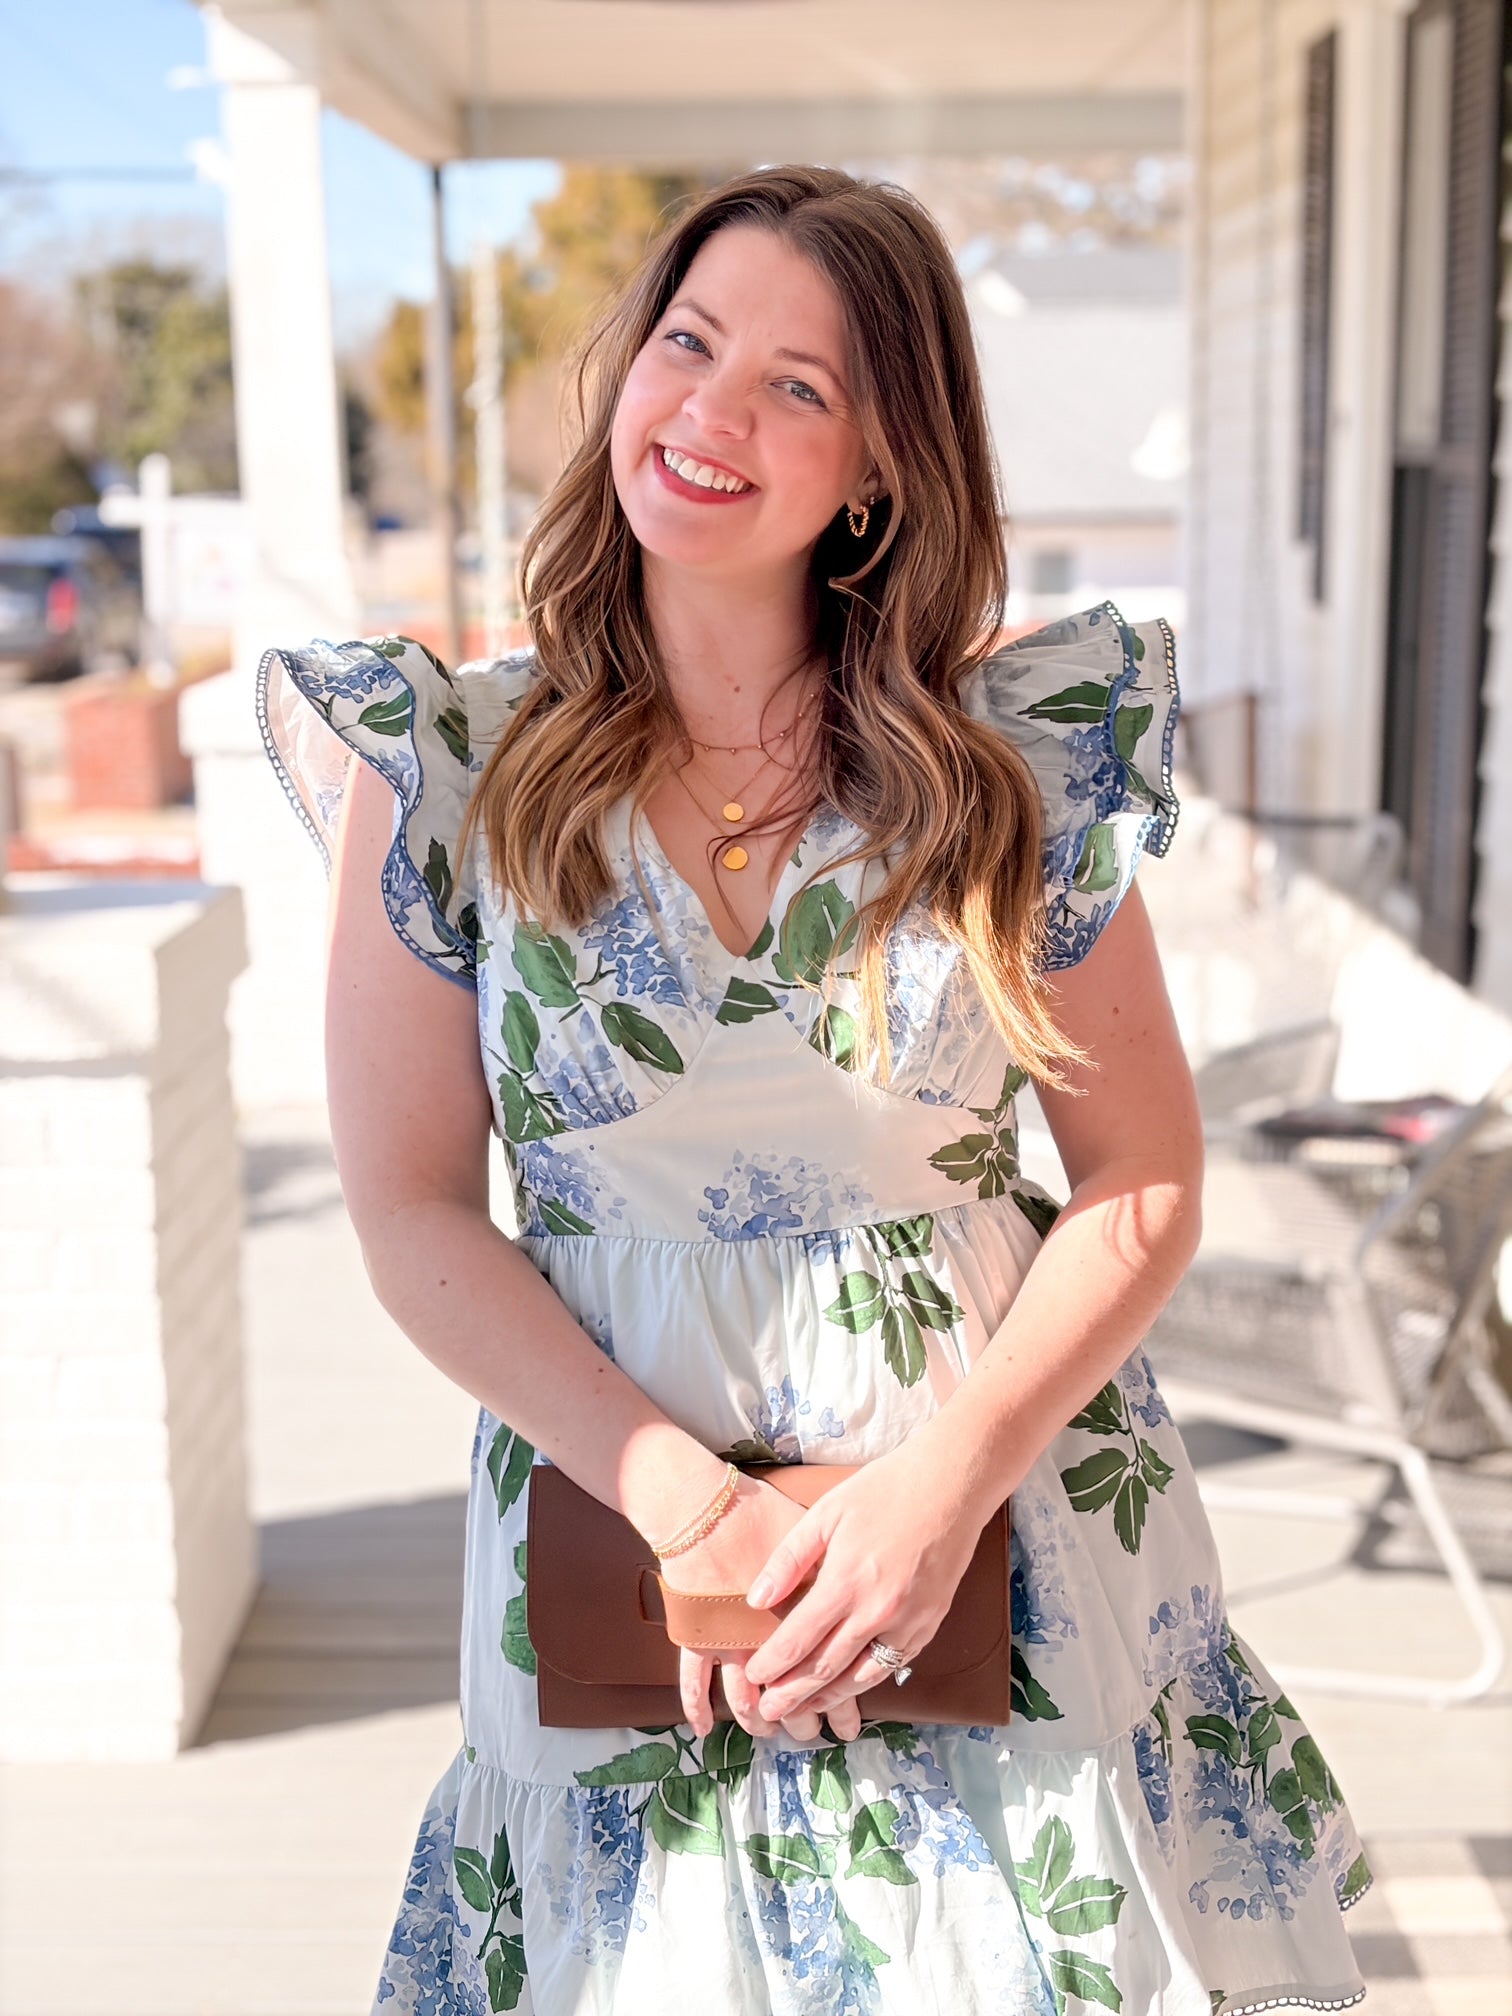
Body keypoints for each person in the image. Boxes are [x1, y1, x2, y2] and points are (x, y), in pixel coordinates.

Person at [258, 165, 1370, 2016]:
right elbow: (413, 1211)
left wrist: (940, 1492)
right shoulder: (448, 766)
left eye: (798, 382)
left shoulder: (1008, 768)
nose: (711, 410)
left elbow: (1144, 1176)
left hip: (991, 1529)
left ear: (877, 464)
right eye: (689, 343)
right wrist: (691, 1508)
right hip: (621, 1541)